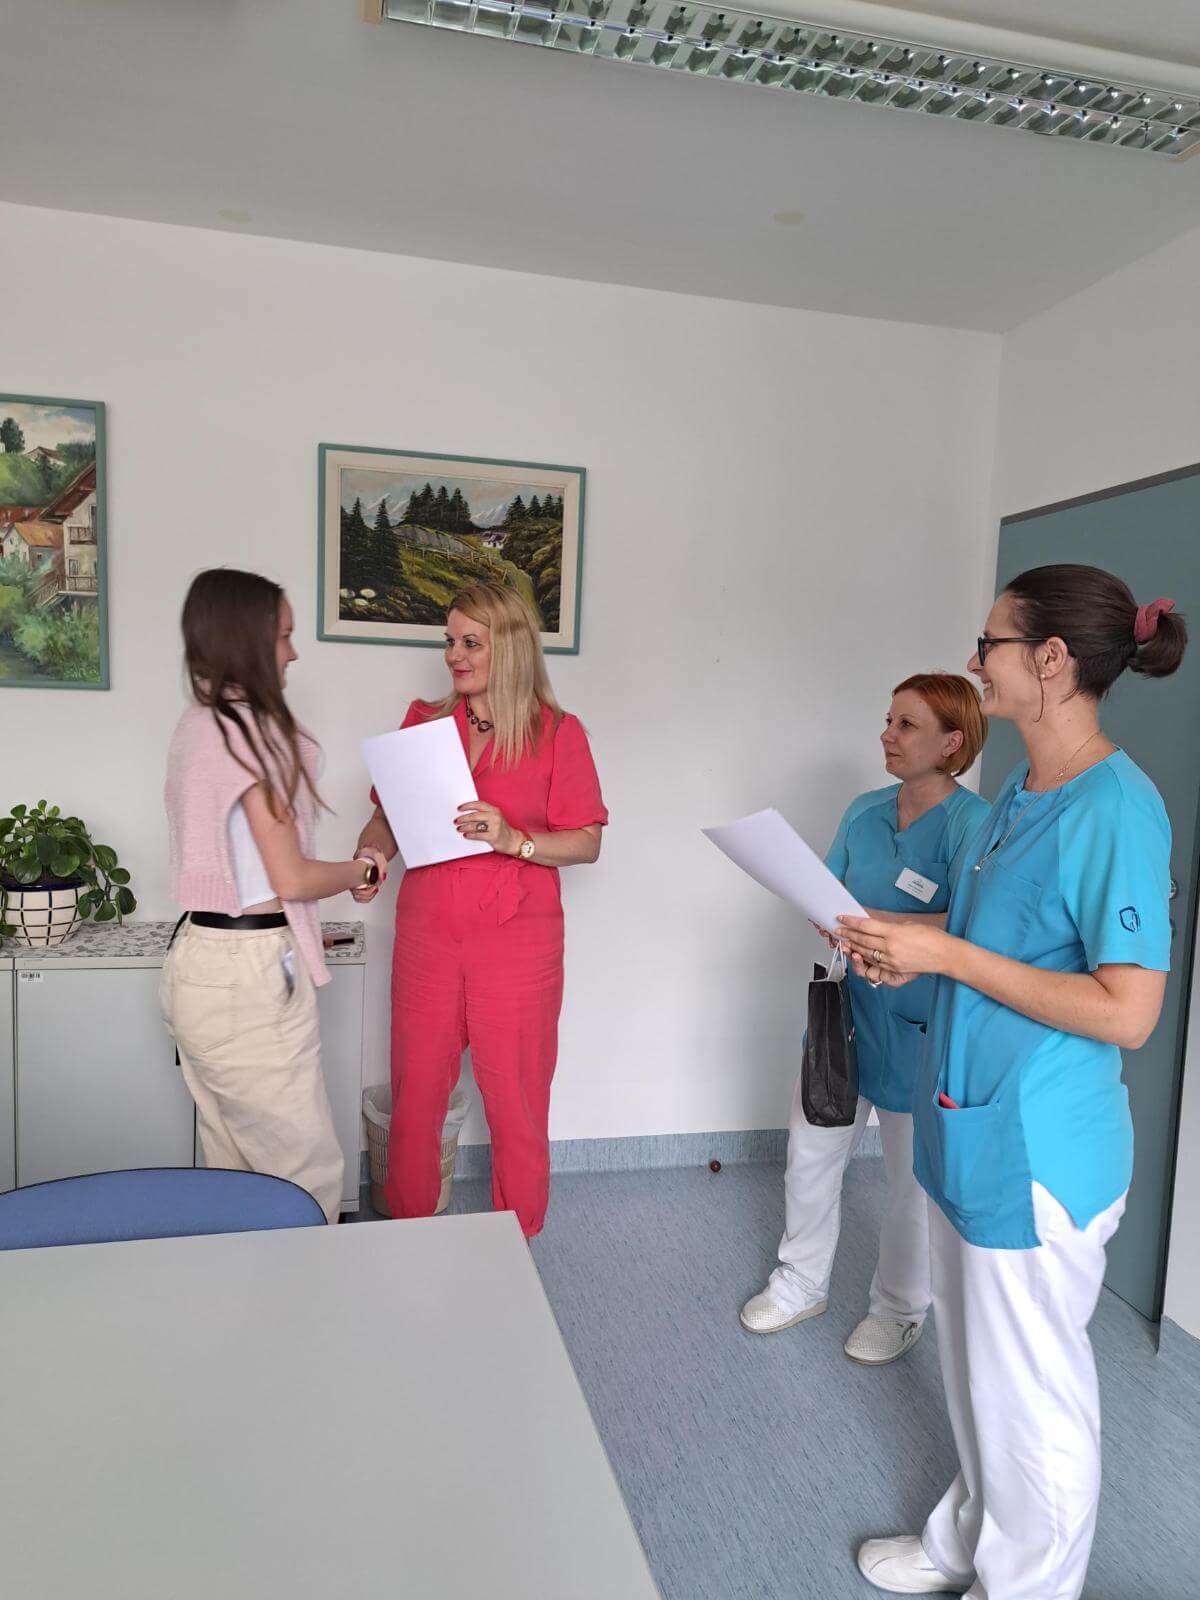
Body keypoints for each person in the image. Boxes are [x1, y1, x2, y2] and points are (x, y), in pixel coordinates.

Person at [838, 568, 1185, 1597]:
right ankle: (966, 1541)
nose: (974, 659)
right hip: (972, 1125)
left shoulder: (1116, 808)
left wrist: (945, 955)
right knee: (981, 1375)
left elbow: (1128, 1009)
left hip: (1040, 1151)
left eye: (988, 642)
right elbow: (991, 936)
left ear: (1050, 660)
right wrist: (901, 938)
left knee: (1033, 1400)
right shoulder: (1021, 795)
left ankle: (1027, 1584)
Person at [740, 674, 989, 1365]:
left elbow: (972, 926)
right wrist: (829, 918)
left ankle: (900, 1308)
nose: (887, 735)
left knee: (911, 1182)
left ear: (952, 741)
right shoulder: (865, 811)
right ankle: (799, 1284)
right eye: (888, 720)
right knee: (811, 1154)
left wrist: (869, 922)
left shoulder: (972, 825)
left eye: (907, 725)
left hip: (923, 1025)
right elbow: (825, 891)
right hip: (847, 1012)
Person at [354, 583, 607, 1238]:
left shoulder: (558, 733)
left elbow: (586, 841)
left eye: (470, 642)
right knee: (415, 1097)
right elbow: (387, 817)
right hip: (428, 935)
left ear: (511, 648)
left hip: (517, 943)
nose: (453, 655)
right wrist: (371, 855)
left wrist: (513, 838)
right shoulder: (423, 721)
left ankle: (515, 1243)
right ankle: (408, 1236)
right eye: (450, 641)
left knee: (517, 1102)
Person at [162, 568, 388, 1223]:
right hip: (249, 974)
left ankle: (248, 1286)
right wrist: (359, 870)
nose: (293, 653)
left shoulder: (198, 726)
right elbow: (291, 879)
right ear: (250, 639)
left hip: (198, 958)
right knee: (303, 1177)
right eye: (284, 635)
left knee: (233, 1172)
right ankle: (308, 1290)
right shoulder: (254, 737)